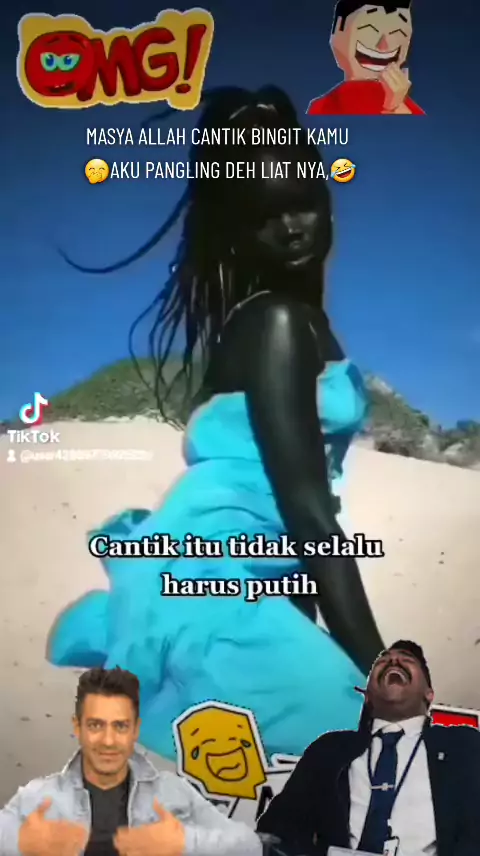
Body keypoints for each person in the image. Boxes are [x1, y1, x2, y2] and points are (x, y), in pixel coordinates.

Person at [47, 84, 384, 762]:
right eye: (264, 216)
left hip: (239, 581)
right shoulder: (276, 324)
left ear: (326, 199)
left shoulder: (293, 323)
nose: (292, 227)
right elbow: (308, 515)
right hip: (209, 587)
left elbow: (288, 529)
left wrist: (307, 637)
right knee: (362, 738)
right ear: (237, 230)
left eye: (302, 202)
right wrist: (388, 671)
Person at [0, 667, 262, 856]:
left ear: (136, 730)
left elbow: (250, 846)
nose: (108, 741)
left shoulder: (173, 792)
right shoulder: (39, 797)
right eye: (95, 725)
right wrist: (21, 842)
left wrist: (185, 842)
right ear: (77, 727)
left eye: (120, 726)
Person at [257, 639, 480, 855]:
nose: (393, 661)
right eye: (382, 660)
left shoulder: (464, 745)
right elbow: (278, 829)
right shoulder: (329, 750)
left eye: (407, 659)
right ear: (367, 695)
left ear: (428, 694)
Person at [307, 1, 425, 115]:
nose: (384, 45)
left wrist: (395, 108)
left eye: (398, 33)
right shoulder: (322, 107)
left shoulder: (408, 110)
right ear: (339, 27)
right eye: (369, 30)